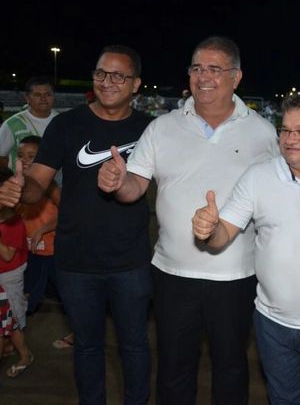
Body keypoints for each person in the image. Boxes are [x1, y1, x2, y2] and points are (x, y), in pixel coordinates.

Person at [97, 36, 279, 405]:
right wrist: (118, 183)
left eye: (215, 69)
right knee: (174, 367)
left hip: (235, 276)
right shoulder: (162, 127)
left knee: (230, 366)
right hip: (172, 273)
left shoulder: (262, 133)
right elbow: (135, 187)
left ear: (236, 77)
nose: (203, 77)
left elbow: (276, 197)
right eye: (197, 68)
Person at [0, 45, 153, 404]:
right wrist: (22, 189)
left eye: (119, 75)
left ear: (136, 84)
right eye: (101, 73)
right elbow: (38, 182)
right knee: (87, 347)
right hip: (76, 262)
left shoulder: (151, 128)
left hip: (131, 261)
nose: (108, 81)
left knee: (134, 346)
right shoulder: (67, 124)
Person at [192, 89, 300, 405]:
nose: (291, 138)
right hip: (272, 324)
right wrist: (207, 230)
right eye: (286, 130)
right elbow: (223, 234)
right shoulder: (259, 176)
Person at [16, 135, 60, 314]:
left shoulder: (50, 186)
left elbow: (67, 213)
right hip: (29, 250)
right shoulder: (17, 183)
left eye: (31, 156)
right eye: (21, 155)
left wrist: (42, 229)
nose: (24, 160)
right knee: (27, 295)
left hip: (51, 252)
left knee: (66, 293)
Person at [0, 167, 33, 378]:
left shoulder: (13, 222)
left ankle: (25, 355)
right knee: (5, 321)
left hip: (9, 275)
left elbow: (7, 256)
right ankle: (11, 347)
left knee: (14, 320)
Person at [0, 76, 58, 171]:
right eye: (37, 95)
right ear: (27, 98)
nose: (43, 98)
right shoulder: (13, 124)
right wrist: (15, 173)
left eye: (48, 94)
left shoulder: (62, 121)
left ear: (53, 96)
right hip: (23, 182)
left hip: (54, 182)